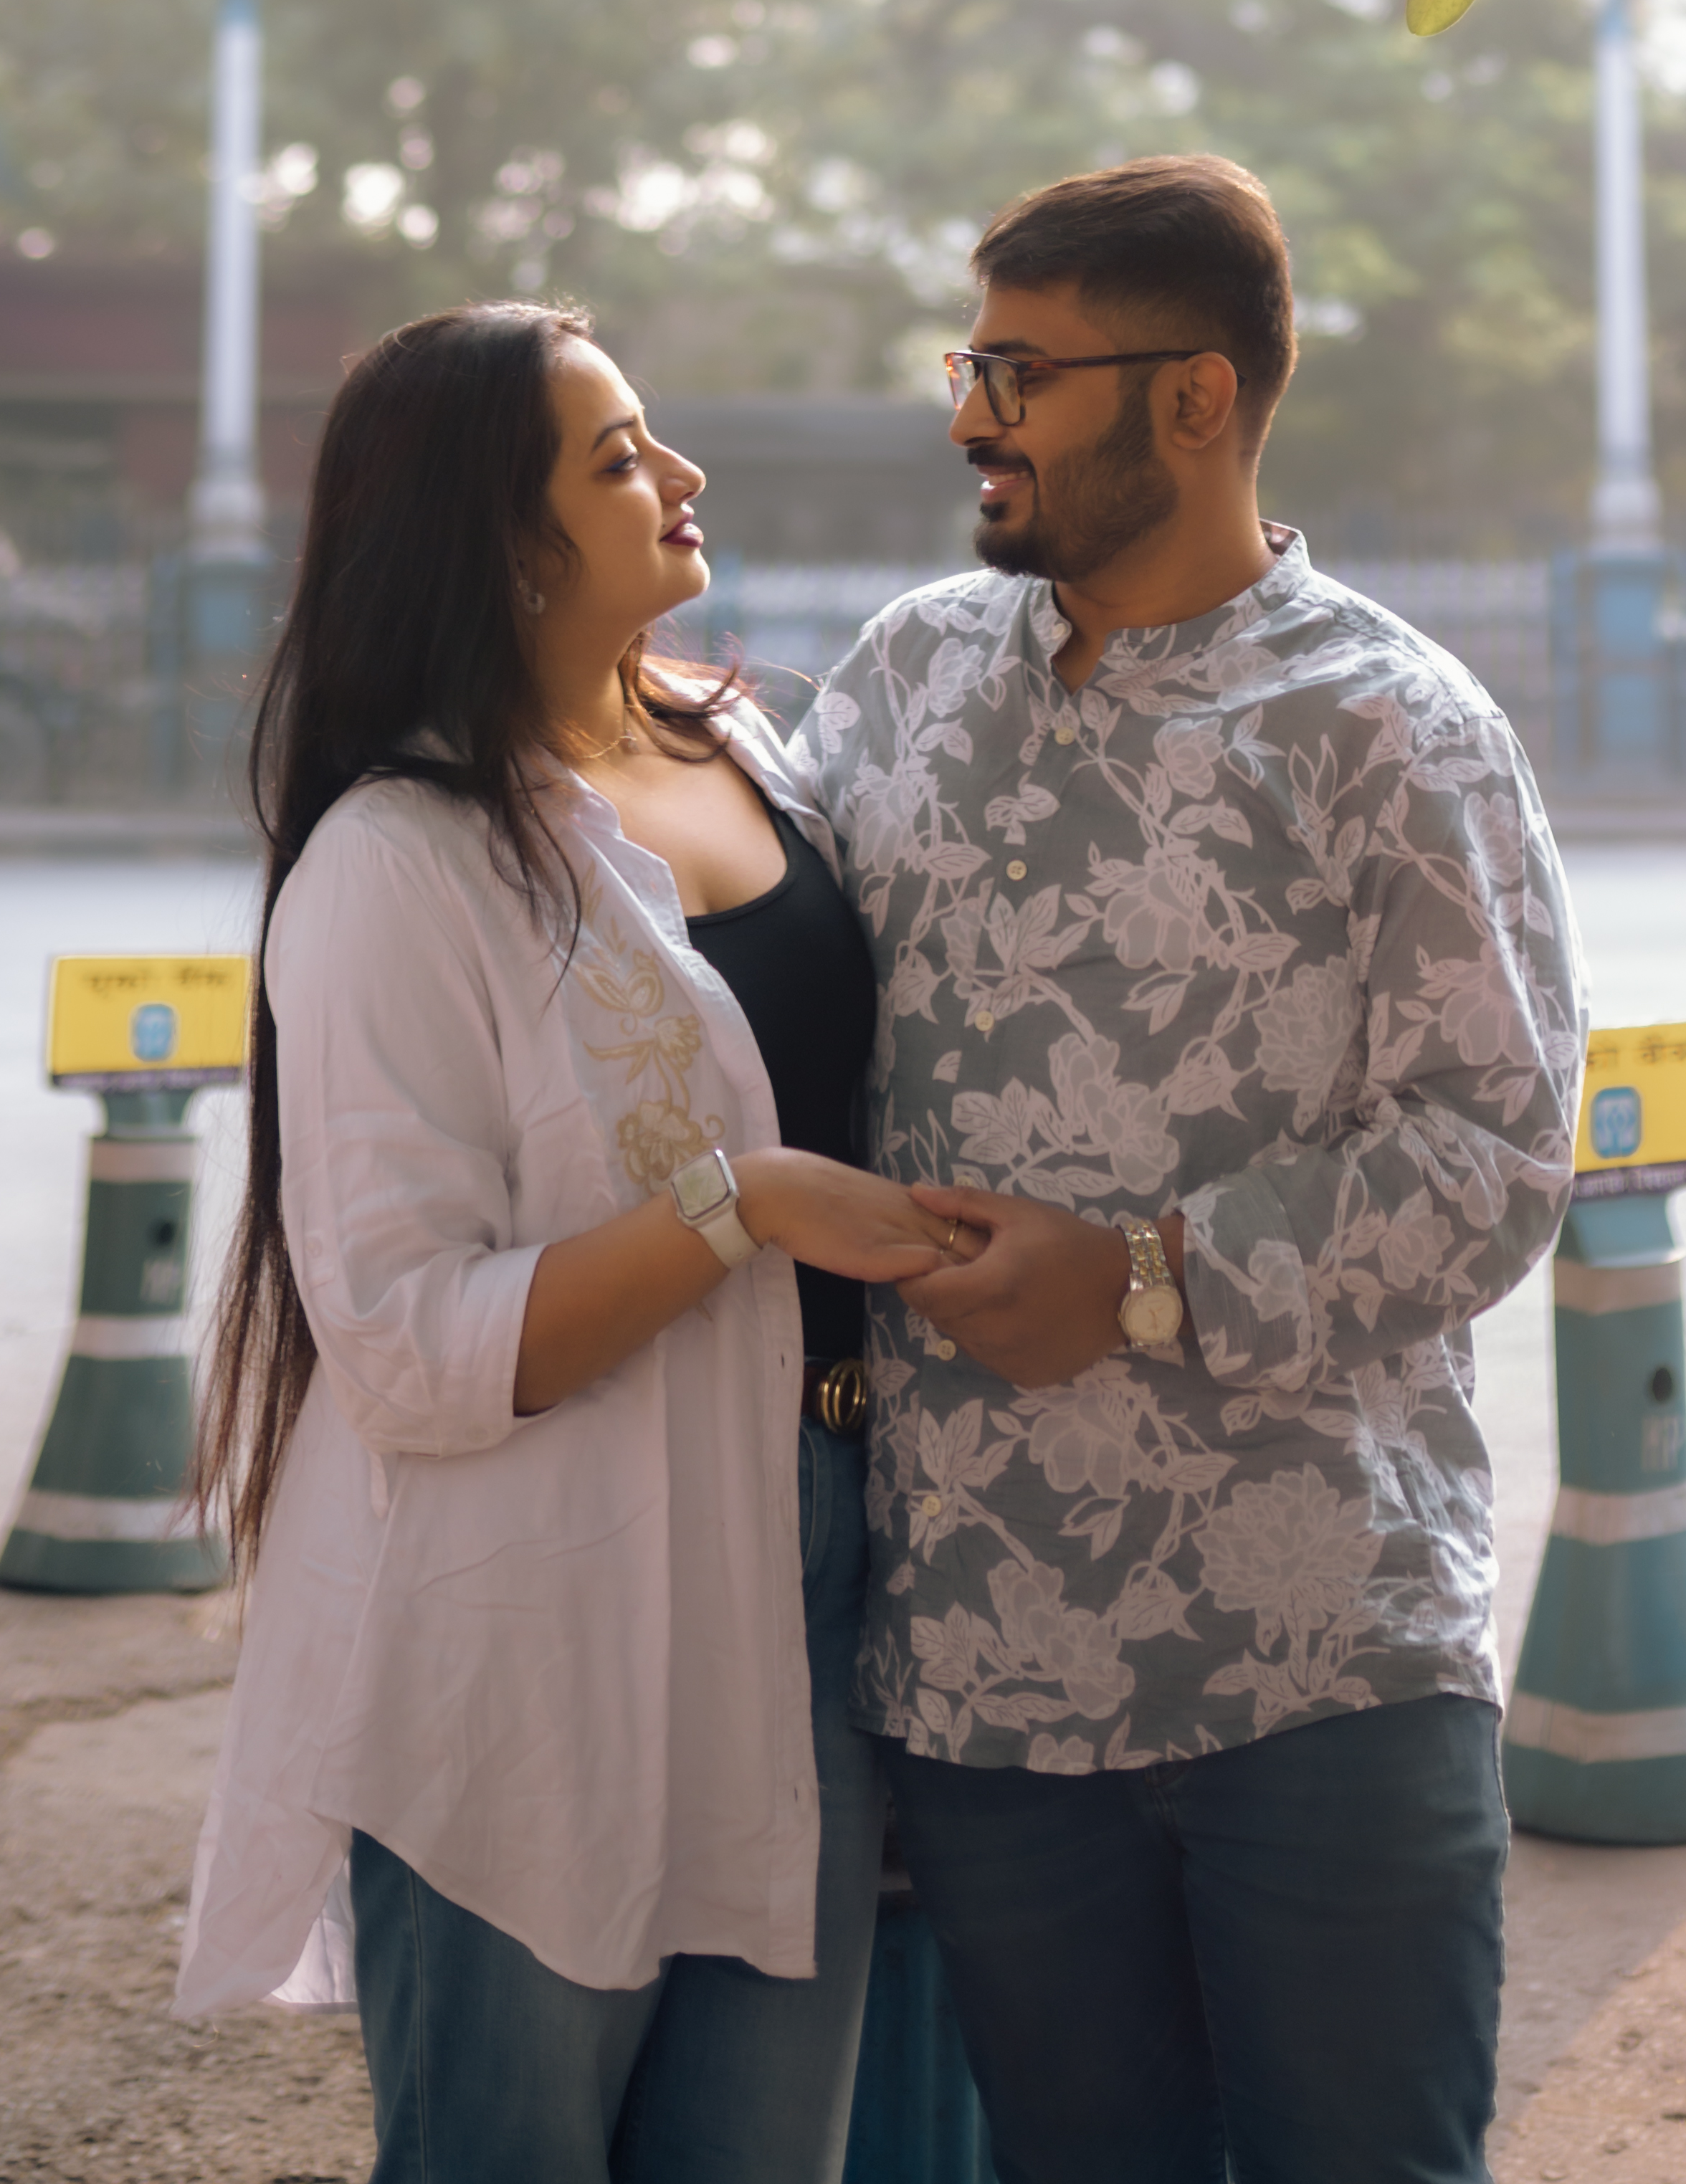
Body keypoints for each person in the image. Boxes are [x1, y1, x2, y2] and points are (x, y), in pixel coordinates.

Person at [791, 151, 1588, 2184]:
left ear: (1197, 397)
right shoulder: (898, 680)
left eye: (1025, 371)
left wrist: (1143, 1274)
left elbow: (1496, 1149)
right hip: (983, 1674)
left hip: (1318, 1656)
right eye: (972, 359)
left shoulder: (1394, 731)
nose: (972, 411)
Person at [175, 296, 968, 2184]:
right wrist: (747, 1206)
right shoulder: (401, 860)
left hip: (807, 1562)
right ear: (499, 539)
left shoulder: (745, 753)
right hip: (532, 1626)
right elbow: (405, 1344)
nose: (681, 477)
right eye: (617, 459)